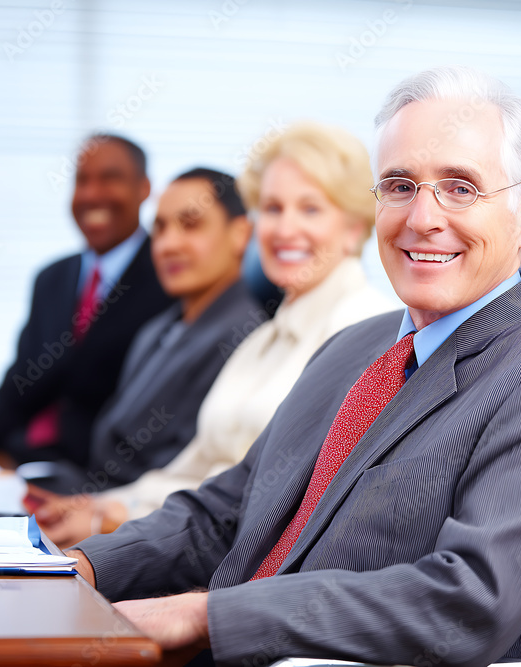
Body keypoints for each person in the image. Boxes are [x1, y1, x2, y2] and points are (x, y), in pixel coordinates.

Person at [66, 66, 521, 666]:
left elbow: (468, 602)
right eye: (400, 185)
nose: (422, 218)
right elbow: (227, 512)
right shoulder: (353, 347)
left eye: (461, 187)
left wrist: (205, 616)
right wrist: (79, 567)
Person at [32, 123, 395, 547]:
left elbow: (286, 504)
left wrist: (113, 521)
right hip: (195, 541)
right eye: (273, 208)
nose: (284, 229)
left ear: (354, 226)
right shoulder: (261, 342)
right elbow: (193, 473)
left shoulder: (367, 332)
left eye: (310, 209)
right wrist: (101, 507)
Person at [0, 134, 174, 471]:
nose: (91, 194)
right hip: (26, 464)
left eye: (110, 178)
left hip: (107, 476)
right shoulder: (53, 279)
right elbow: (21, 388)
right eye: (82, 181)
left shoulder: (169, 276)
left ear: (144, 188)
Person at [27, 167, 263, 495]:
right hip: (94, 497)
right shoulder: (157, 330)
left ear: (240, 234)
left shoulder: (247, 338)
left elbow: (186, 475)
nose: (168, 245)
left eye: (190, 224)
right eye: (160, 228)